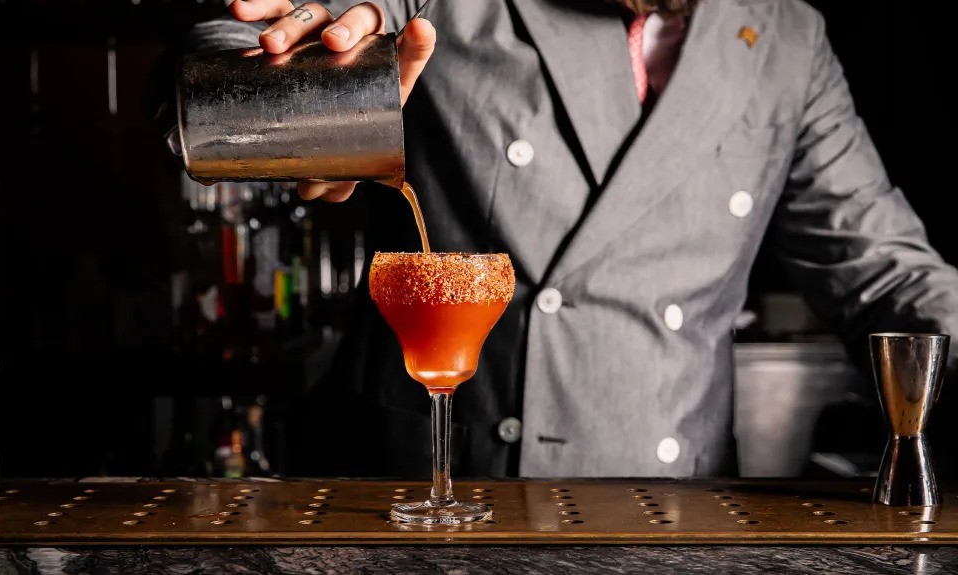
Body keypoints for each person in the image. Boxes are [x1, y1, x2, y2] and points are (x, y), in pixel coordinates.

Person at [148, 0, 958, 479]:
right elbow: (232, 47)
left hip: (675, 516)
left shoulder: (785, 35)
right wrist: (304, 105)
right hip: (429, 495)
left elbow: (885, 269)